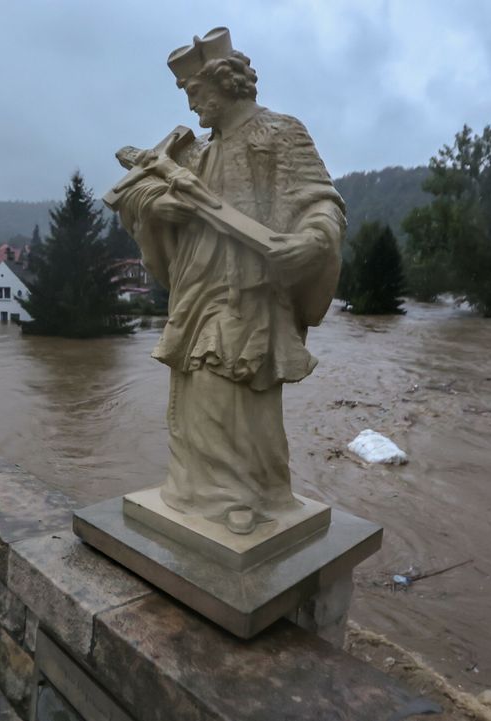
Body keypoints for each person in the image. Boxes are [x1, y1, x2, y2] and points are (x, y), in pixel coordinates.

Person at [109, 27, 345, 535]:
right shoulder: (196, 154)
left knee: (231, 389)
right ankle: (197, 490)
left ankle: (242, 496)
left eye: (197, 95)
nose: (193, 108)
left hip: (250, 288)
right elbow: (147, 198)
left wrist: (313, 239)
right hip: (195, 285)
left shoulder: (280, 132)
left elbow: (321, 200)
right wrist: (158, 207)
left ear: (225, 84)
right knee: (195, 393)